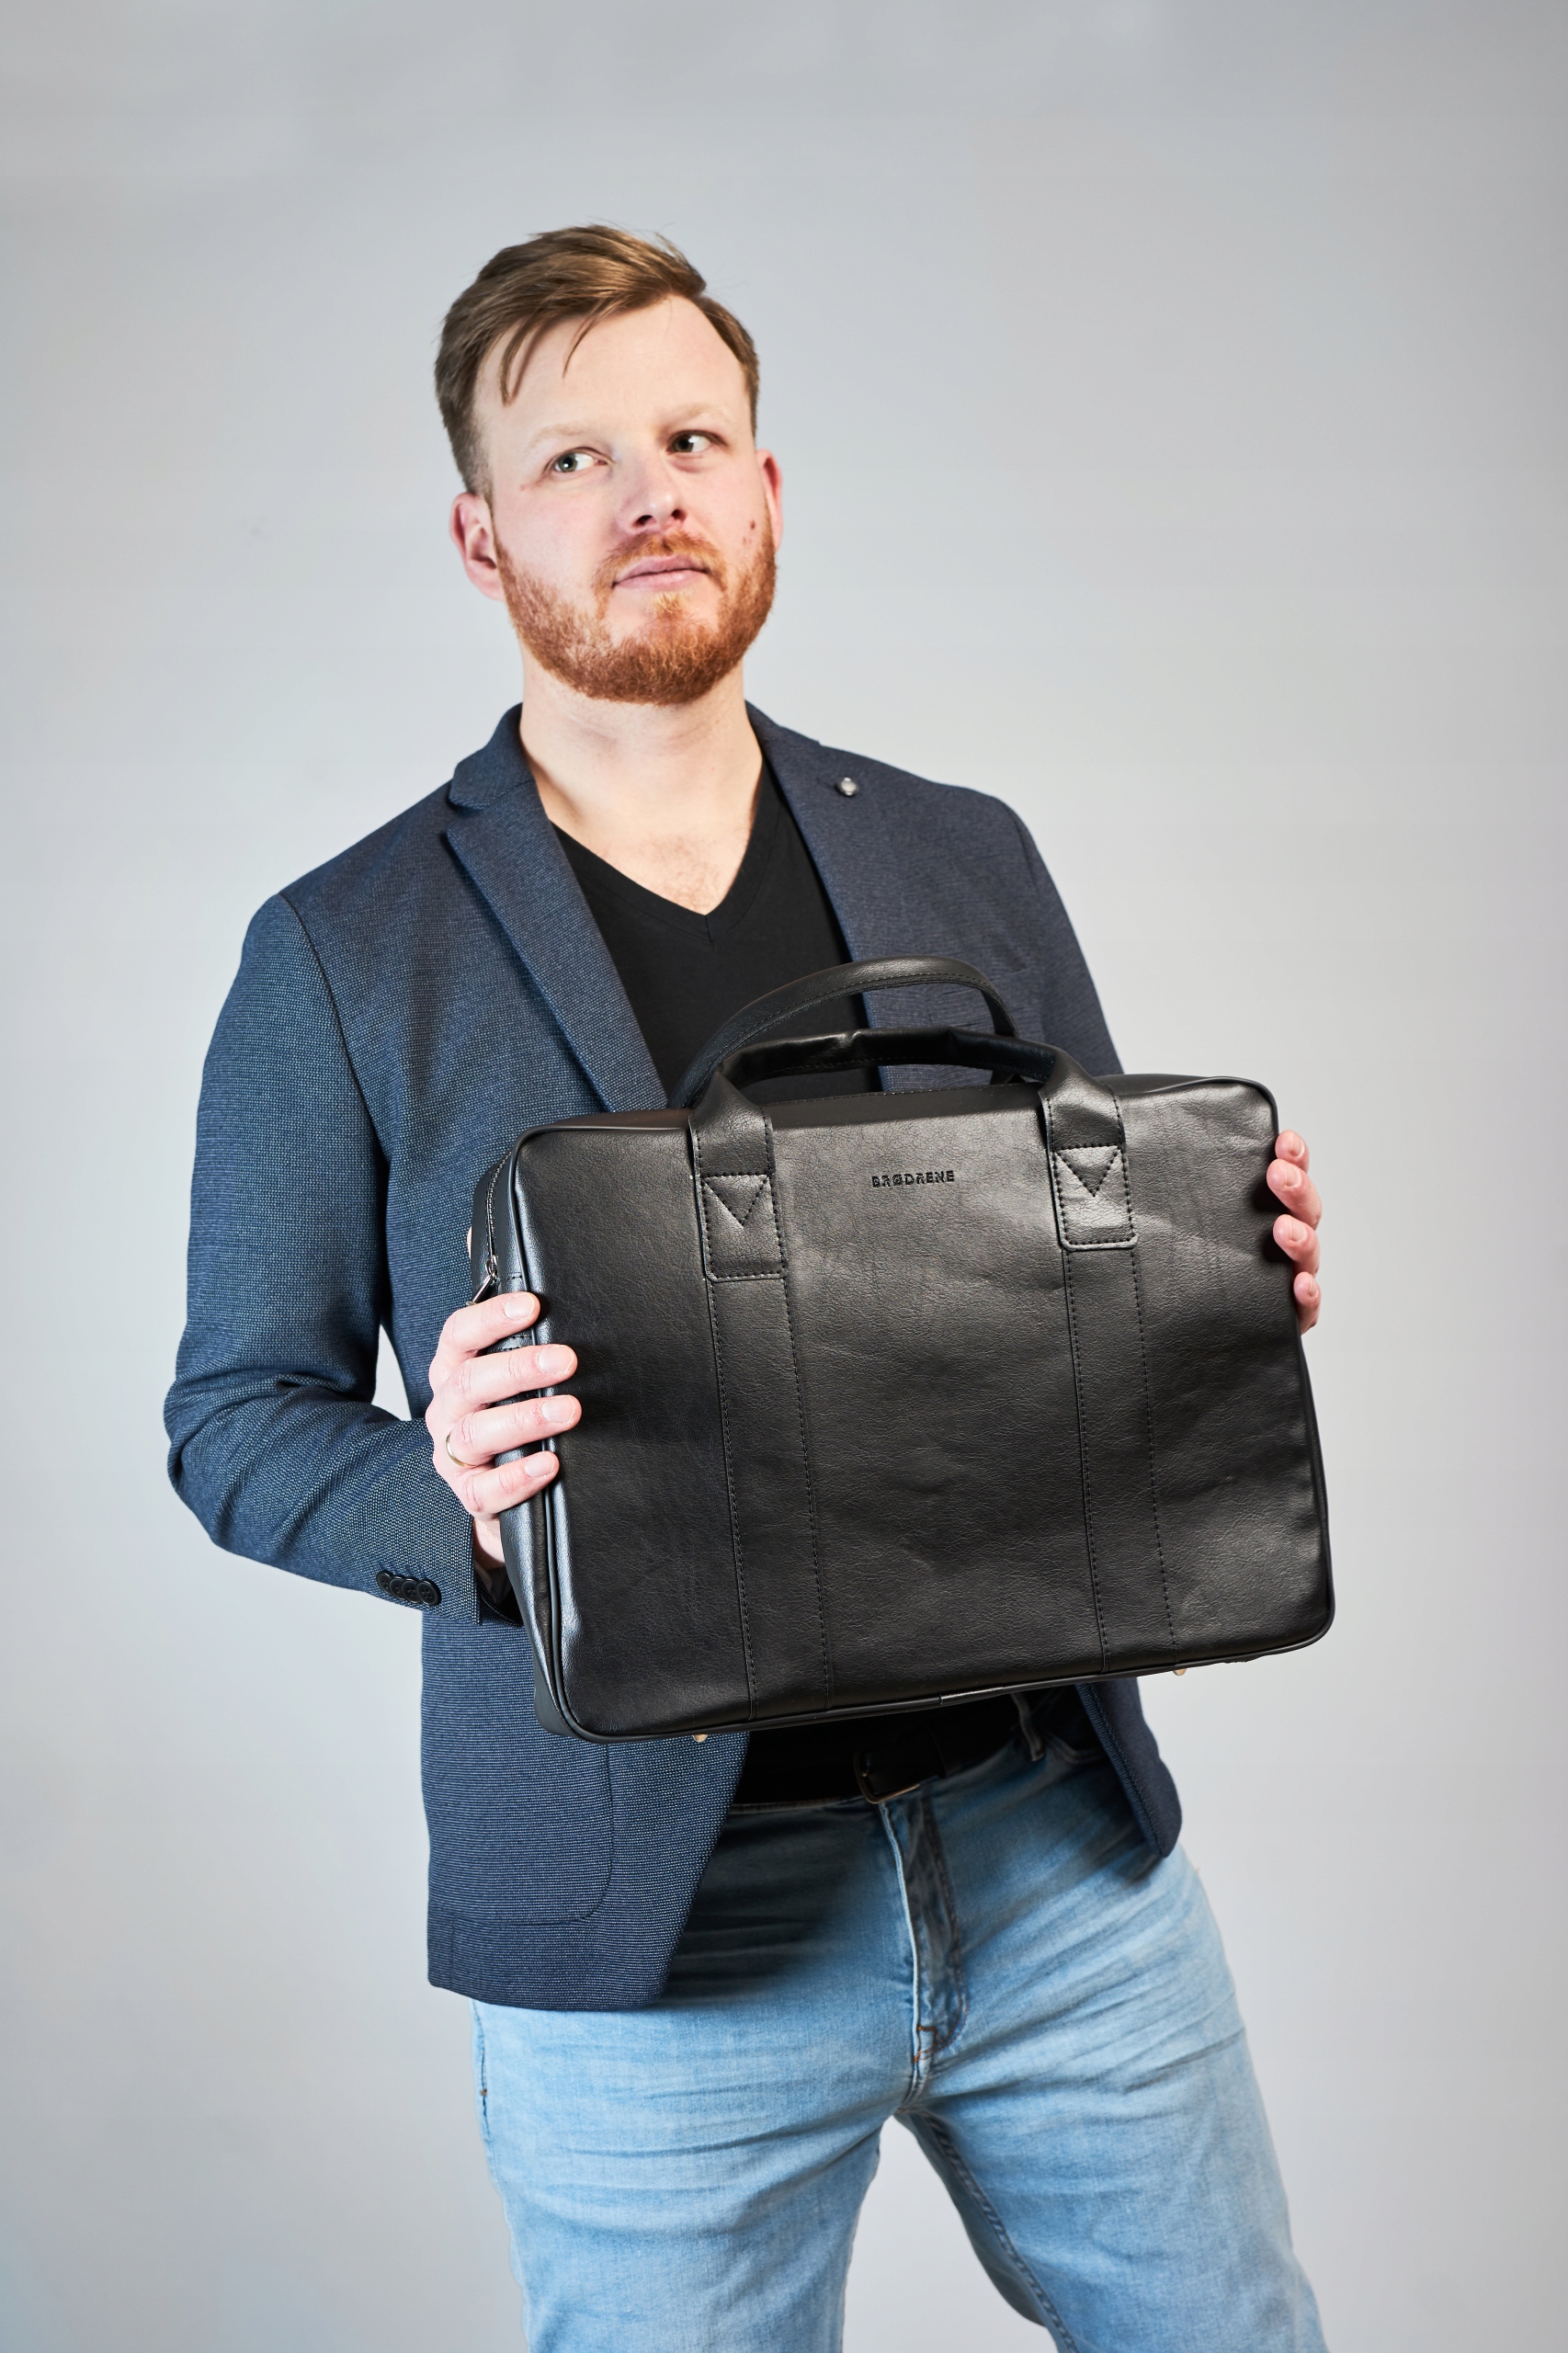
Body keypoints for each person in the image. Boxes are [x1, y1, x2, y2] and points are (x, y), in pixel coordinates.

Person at [166, 225, 1327, 2351]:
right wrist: (470, 1499)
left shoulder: (966, 851)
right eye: (574, 459)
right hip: (655, 1929)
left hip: (1057, 1848)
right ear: (478, 534)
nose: (650, 495)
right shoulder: (338, 947)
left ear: (769, 486)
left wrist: (1218, 1277)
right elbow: (234, 1419)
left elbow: (1065, 1287)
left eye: (692, 439)